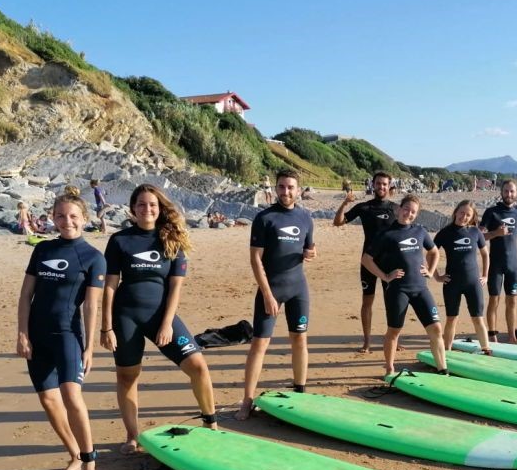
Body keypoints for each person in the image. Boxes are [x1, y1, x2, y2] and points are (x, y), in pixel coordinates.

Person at [101, 184, 218, 453]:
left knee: (197, 366)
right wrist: (106, 327)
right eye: (141, 205)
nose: (147, 209)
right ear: (132, 209)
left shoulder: (172, 239)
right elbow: (110, 286)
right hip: (125, 317)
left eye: (152, 204)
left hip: (161, 317)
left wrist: (166, 323)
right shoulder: (120, 241)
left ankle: (211, 423)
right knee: (127, 378)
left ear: (159, 208)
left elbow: (176, 287)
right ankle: (132, 435)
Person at [16, 193, 104, 470]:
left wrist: (89, 346)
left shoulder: (93, 257)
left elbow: (91, 306)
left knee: (71, 396)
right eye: (61, 216)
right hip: (37, 336)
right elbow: (26, 295)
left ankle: (90, 467)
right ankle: (75, 456)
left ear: (84, 218)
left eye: (73, 216)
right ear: (53, 218)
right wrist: (22, 333)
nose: (67, 221)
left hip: (68, 335)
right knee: (48, 400)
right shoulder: (42, 249)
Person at [236, 170, 316, 419]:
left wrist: (311, 254)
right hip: (270, 290)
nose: (286, 192)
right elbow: (255, 260)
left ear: (298, 189)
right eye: (281, 187)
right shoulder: (265, 218)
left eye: (290, 187)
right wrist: (268, 295)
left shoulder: (305, 218)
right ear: (276, 189)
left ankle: (300, 390)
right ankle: (247, 400)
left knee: (299, 340)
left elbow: (309, 249)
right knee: (259, 344)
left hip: (298, 289)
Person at [362, 194, 447, 376]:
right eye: (406, 209)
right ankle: (390, 368)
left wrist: (431, 272)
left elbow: (433, 251)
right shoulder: (385, 234)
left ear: (416, 214)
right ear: (398, 209)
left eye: (413, 212)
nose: (408, 213)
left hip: (420, 288)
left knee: (436, 328)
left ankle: (442, 368)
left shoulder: (420, 231)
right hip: (397, 290)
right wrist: (385, 276)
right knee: (394, 330)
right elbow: (366, 259)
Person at [333, 171, 398, 352]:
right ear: (373, 185)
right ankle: (367, 341)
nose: (381, 187)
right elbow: (338, 222)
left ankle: (392, 339)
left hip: (390, 263)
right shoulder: (364, 207)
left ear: (389, 186)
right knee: (367, 302)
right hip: (368, 261)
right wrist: (344, 204)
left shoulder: (396, 209)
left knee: (392, 302)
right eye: (378, 183)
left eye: (384, 184)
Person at [433, 200, 491, 353]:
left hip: (473, 283)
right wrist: (437, 276)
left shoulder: (475, 232)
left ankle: (486, 349)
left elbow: (485, 254)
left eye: (468, 215)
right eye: (461, 213)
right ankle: (447, 351)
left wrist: (485, 275)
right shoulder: (445, 233)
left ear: (472, 217)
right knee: (452, 318)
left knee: (478, 318)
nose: (464, 217)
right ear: (456, 212)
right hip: (452, 283)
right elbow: (431, 254)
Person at [480, 179, 517, 343]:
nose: (509, 194)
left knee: (512, 301)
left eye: (512, 191)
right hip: (495, 264)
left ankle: (511, 336)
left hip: (513, 265)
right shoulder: (491, 212)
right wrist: (495, 233)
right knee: (494, 299)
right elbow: (479, 237)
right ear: (501, 192)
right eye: (506, 191)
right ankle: (492, 336)